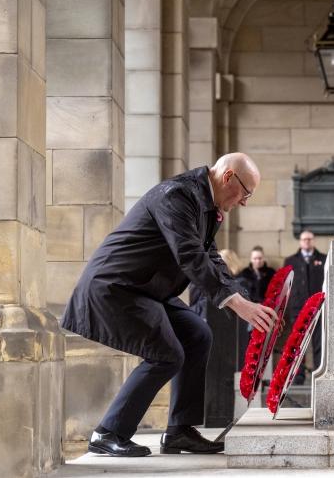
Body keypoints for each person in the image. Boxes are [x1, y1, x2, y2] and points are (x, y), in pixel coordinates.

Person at [60, 153, 277, 457]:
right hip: (115, 287)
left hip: (146, 289)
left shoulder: (206, 205)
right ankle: (108, 432)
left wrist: (242, 299)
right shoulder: (177, 195)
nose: (244, 202)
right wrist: (236, 303)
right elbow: (189, 255)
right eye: (246, 192)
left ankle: (180, 431)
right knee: (166, 354)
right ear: (228, 177)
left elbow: (210, 257)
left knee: (197, 334)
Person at [283, 230, 326, 384]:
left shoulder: (323, 259)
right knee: (297, 343)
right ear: (300, 242)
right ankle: (298, 375)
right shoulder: (290, 261)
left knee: (319, 342)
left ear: (313, 241)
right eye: (304, 239)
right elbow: (285, 285)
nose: (307, 242)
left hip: (318, 306)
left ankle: (318, 373)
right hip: (298, 307)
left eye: (309, 239)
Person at [236, 246, 276, 360]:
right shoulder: (244, 274)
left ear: (263, 258)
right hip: (249, 309)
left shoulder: (270, 273)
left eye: (259, 258)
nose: (257, 261)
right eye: (255, 258)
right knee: (249, 340)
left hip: (267, 309)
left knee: (265, 341)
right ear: (251, 259)